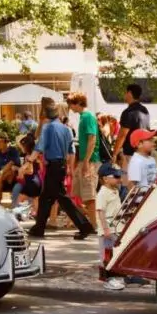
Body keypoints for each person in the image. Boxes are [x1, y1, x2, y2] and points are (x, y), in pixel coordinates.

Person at [27, 99, 95, 239]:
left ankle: (84, 226)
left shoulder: (48, 128)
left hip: (53, 166)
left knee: (63, 199)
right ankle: (39, 228)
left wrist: (29, 160)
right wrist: (69, 167)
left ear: (46, 116)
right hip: (61, 166)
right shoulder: (66, 129)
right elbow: (71, 151)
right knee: (46, 198)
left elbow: (40, 146)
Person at [68, 91, 101, 228]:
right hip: (84, 161)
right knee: (76, 194)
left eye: (71, 104)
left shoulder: (87, 117)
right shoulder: (84, 117)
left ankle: (95, 225)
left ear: (78, 103)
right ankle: (91, 222)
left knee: (89, 196)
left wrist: (86, 161)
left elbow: (92, 140)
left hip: (90, 161)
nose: (70, 107)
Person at [96, 163, 126, 291]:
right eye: (115, 176)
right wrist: (105, 228)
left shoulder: (114, 190)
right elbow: (100, 211)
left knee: (115, 253)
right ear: (105, 179)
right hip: (107, 229)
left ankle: (118, 276)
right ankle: (108, 280)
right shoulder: (103, 193)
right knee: (107, 255)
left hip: (116, 228)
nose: (118, 179)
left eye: (119, 176)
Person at [113, 84, 150, 168]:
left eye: (125, 93)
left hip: (131, 155)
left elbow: (122, 135)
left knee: (128, 180)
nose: (124, 95)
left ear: (129, 93)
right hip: (143, 153)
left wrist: (115, 154)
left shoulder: (128, 112)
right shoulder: (144, 110)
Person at [10, 134, 43, 218]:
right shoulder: (36, 156)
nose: (21, 148)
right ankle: (37, 215)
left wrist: (18, 169)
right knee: (35, 199)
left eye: (21, 146)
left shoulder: (28, 157)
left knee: (20, 198)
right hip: (37, 180)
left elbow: (30, 171)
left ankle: (15, 216)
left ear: (26, 147)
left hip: (31, 181)